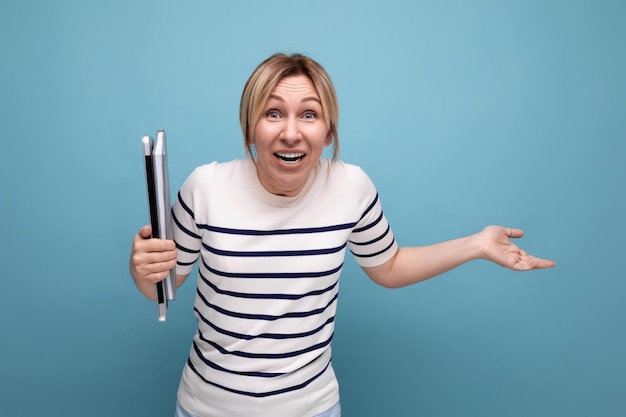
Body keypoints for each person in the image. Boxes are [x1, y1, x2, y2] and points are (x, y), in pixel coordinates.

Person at [129, 53, 555, 417]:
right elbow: (162, 289)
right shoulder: (205, 187)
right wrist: (143, 269)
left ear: (328, 132)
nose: (291, 132)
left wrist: (477, 245)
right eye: (273, 112)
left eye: (309, 115)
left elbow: (388, 266)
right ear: (249, 128)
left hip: (312, 408)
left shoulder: (351, 187)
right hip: (208, 407)